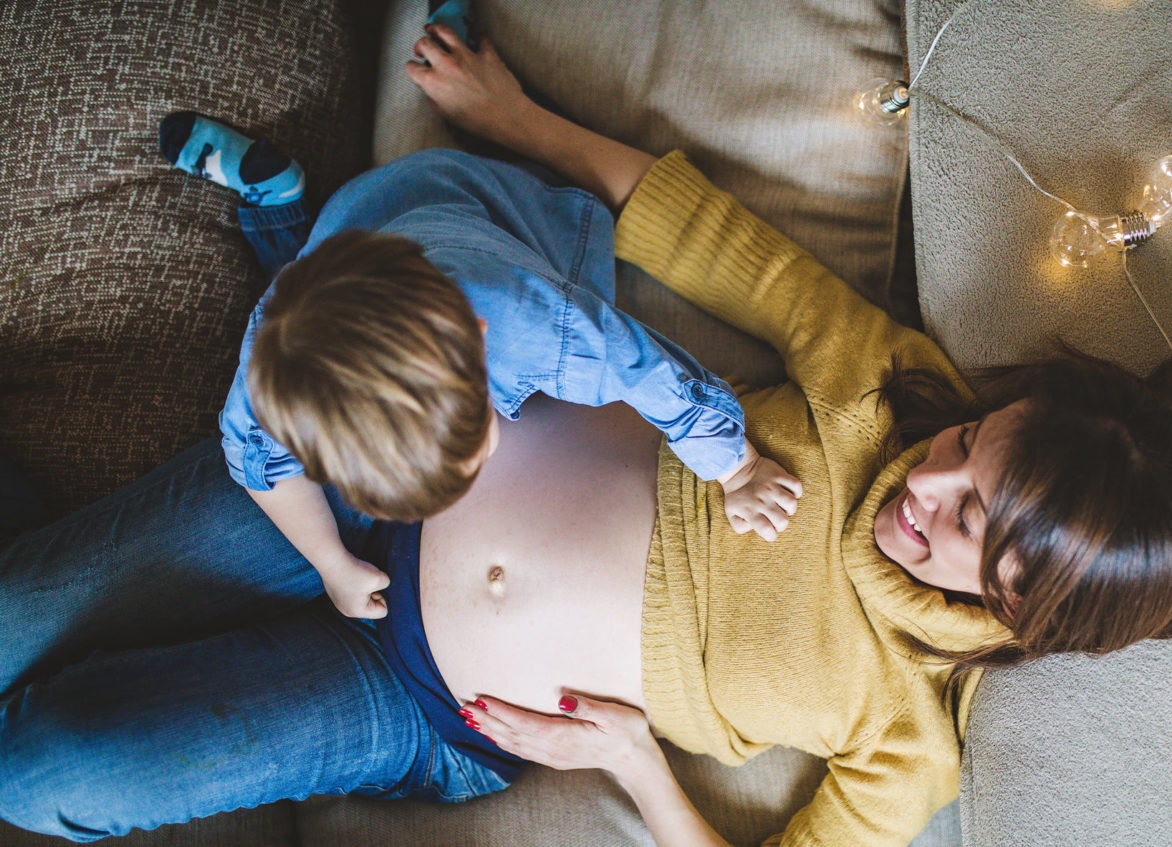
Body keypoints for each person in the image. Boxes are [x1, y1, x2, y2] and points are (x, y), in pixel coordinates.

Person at [2, 19, 1172, 847]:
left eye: (967, 521)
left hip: (419, 700)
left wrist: (633, 760)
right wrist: (518, 119)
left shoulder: (905, 739)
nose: (923, 482)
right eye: (966, 444)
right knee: (18, 611)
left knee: (46, 770)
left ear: (1027, 604)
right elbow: (723, 245)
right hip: (372, 459)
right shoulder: (886, 390)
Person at [158, 110, 801, 621]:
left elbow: (651, 373)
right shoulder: (267, 381)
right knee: (303, 284)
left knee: (314, 274)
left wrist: (736, 467)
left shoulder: (538, 323)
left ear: (478, 335)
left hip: (478, 199)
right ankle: (276, 201)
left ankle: (278, 207)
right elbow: (261, 467)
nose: (480, 467)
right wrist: (329, 562)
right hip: (357, 217)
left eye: (472, 448)